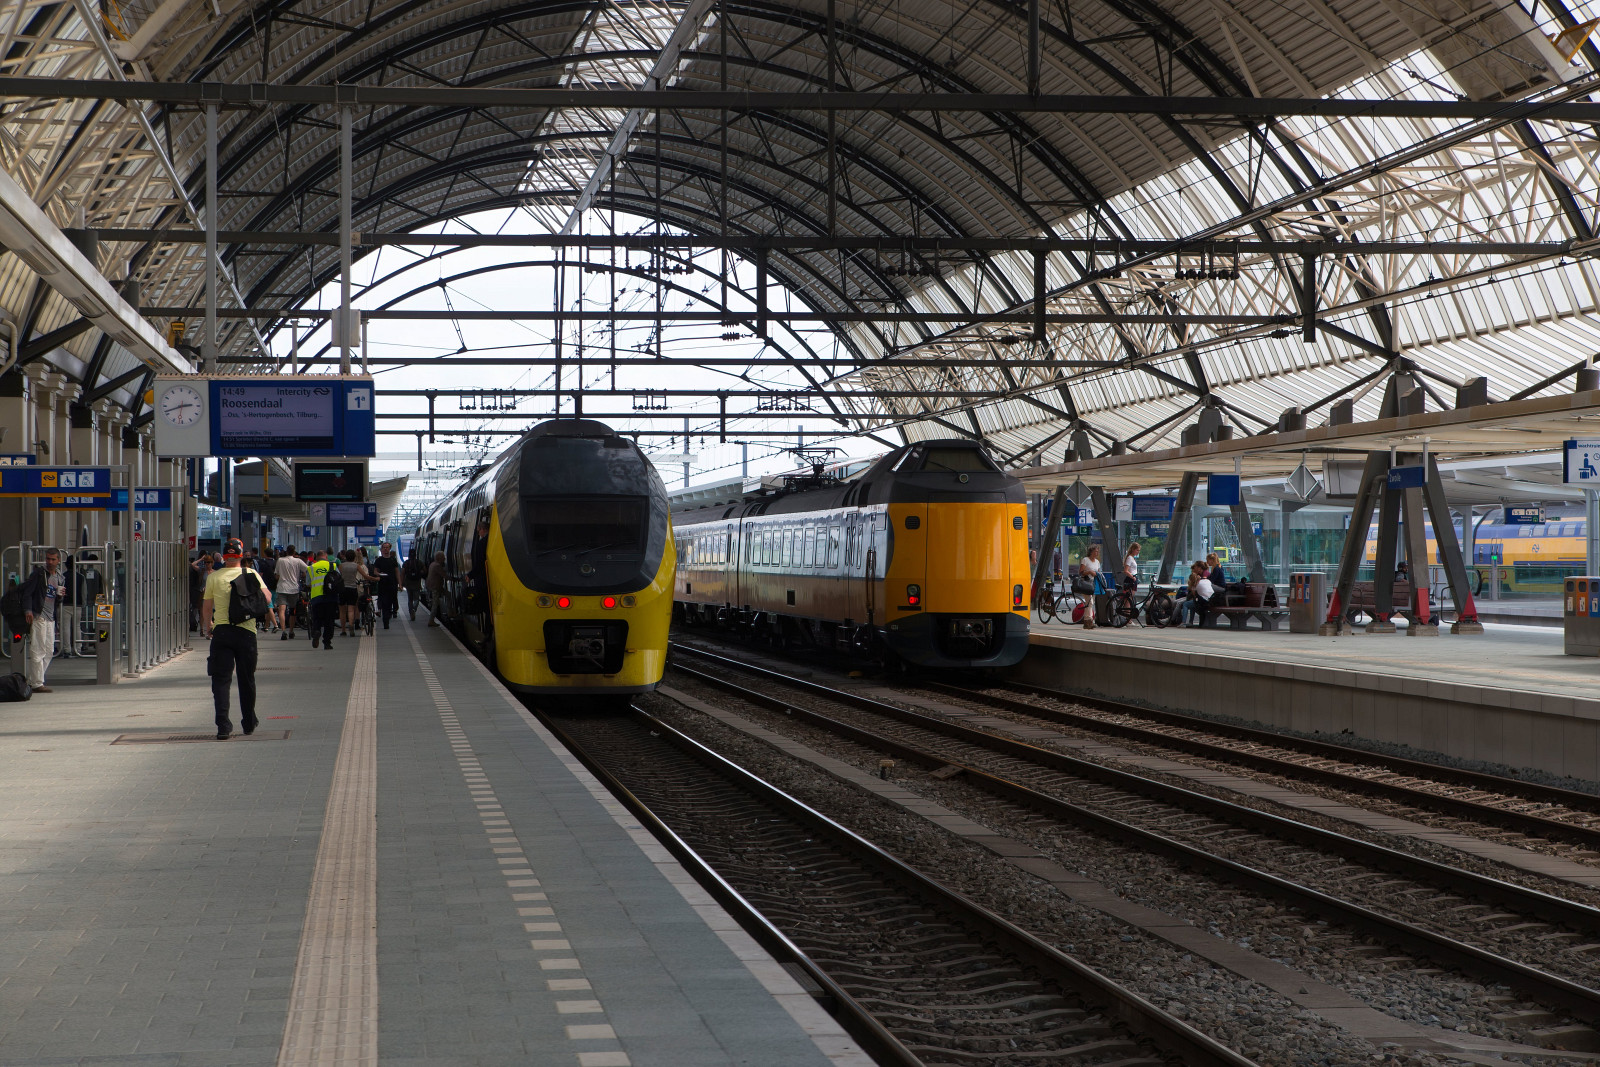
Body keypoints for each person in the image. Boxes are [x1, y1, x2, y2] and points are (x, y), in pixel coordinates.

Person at [201, 538, 269, 740]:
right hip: (246, 632)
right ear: (241, 555)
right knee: (246, 679)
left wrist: (208, 626)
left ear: (223, 556)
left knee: (221, 680)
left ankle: (223, 726)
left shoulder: (213, 577)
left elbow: (207, 607)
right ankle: (248, 722)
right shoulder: (250, 574)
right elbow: (267, 598)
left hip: (222, 632)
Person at [18, 548, 65, 693]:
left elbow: (57, 599)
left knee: (49, 650)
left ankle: (33, 680)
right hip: (39, 616)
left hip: (50, 617)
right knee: (38, 650)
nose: (50, 562)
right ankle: (37, 683)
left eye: (53, 559)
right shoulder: (38, 574)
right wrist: (28, 610)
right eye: (48, 559)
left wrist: (60, 596)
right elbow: (27, 593)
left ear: (58, 560)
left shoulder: (60, 577)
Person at [273, 546, 310, 640]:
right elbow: (308, 569)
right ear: (294, 552)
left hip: (282, 588)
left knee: (282, 610)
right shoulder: (298, 561)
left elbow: (276, 575)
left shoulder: (280, 560)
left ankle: (283, 631)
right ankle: (291, 631)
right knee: (293, 611)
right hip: (294, 589)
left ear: (286, 552)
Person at [306, 550, 337, 650]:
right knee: (329, 620)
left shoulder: (311, 568)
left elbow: (308, 583)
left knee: (317, 618)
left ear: (316, 557)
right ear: (326, 557)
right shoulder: (333, 566)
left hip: (316, 597)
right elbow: (339, 580)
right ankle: (327, 643)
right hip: (331, 597)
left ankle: (316, 631)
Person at [338, 549, 372, 636]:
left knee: (342, 611)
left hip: (343, 589)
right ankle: (351, 625)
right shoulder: (356, 566)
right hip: (353, 588)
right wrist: (375, 579)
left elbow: (339, 576)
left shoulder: (341, 566)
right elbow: (365, 576)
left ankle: (343, 630)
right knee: (351, 609)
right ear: (354, 557)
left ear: (345, 557)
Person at [371, 542, 400, 629]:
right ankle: (385, 621)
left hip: (392, 584)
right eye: (384, 547)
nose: (386, 549)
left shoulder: (393, 560)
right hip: (382, 584)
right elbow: (375, 571)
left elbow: (397, 572)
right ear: (382, 549)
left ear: (390, 549)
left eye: (387, 547)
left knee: (390, 602)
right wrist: (379, 574)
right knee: (384, 602)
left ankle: (388, 615)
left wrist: (400, 583)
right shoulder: (379, 560)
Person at [1184, 561, 1216, 627]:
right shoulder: (1207, 580)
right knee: (1192, 603)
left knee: (1186, 604)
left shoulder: (1196, 584)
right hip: (1212, 600)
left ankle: (1183, 622)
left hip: (1204, 602)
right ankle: (1190, 622)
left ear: (1199, 568)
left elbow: (1194, 594)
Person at [1077, 545, 1101, 629]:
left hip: (1093, 584)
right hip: (1086, 583)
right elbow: (1081, 572)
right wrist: (1089, 572)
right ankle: (1089, 621)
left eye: (1097, 551)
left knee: (1090, 602)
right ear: (1091, 552)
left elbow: (1098, 572)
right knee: (1089, 602)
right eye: (1095, 551)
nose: (1097, 553)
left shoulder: (1097, 562)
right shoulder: (1085, 560)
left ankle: (1087, 621)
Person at [402, 551, 426, 621]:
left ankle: (411, 612)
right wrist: (421, 573)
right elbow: (425, 570)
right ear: (416, 555)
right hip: (417, 583)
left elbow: (402, 573)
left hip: (408, 584)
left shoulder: (406, 563)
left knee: (410, 599)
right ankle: (414, 609)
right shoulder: (419, 562)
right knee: (416, 599)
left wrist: (402, 583)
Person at [426, 550, 447, 627]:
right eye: (443, 557)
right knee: (435, 604)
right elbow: (444, 575)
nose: (444, 558)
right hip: (435, 587)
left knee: (448, 595)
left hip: (433, 586)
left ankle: (451, 612)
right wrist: (455, 579)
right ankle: (431, 620)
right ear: (439, 558)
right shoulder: (437, 566)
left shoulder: (432, 564)